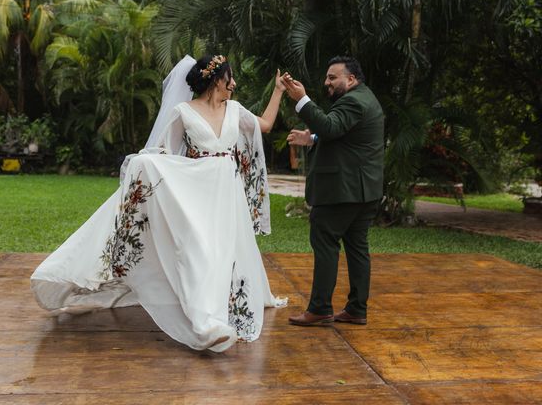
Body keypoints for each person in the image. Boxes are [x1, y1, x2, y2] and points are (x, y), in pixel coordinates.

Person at [31, 54, 287, 352]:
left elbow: (266, 124)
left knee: (226, 250)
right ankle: (205, 324)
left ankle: (222, 306)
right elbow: (164, 153)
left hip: (228, 192)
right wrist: (143, 165)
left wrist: (279, 90)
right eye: (230, 77)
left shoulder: (236, 111)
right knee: (199, 252)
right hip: (196, 191)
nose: (234, 83)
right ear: (217, 79)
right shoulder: (184, 112)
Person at [282, 56, 384, 326]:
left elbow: (330, 125)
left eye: (332, 77)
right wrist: (312, 138)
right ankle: (356, 309)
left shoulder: (352, 100)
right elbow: (342, 133)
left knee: (325, 243)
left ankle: (320, 308)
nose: (326, 82)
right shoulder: (366, 97)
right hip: (364, 191)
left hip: (343, 191)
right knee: (357, 249)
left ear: (350, 79)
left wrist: (302, 100)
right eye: (327, 77)